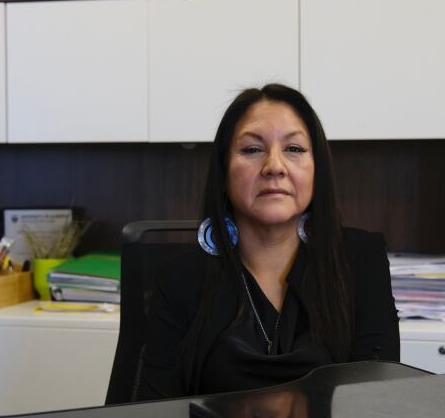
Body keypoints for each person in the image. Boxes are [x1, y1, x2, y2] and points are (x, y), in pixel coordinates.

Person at [136, 83, 399, 400]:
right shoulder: (180, 279)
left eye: (294, 149)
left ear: (318, 169)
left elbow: (375, 403)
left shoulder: (359, 260)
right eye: (252, 149)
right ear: (224, 169)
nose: (274, 166)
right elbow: (153, 417)